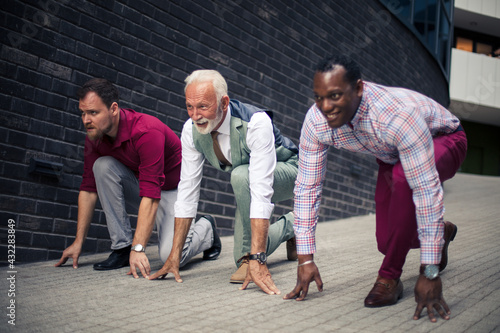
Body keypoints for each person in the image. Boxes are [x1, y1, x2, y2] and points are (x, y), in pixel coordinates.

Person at [284, 55, 467, 322]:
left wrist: (430, 272)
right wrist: (305, 259)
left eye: (335, 96)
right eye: (319, 97)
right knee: (386, 240)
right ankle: (441, 233)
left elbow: (426, 192)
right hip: (392, 155)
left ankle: (389, 278)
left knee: (406, 181)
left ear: (358, 88)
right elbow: (307, 188)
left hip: (445, 139)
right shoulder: (316, 121)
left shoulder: (395, 116)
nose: (326, 106)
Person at [148, 70, 298, 295]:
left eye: (203, 106)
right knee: (241, 258)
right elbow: (187, 189)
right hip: (247, 179)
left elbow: (260, 190)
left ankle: (290, 228)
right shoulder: (190, 130)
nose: (195, 115)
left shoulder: (256, 122)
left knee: (240, 176)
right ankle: (292, 225)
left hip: (289, 170)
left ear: (224, 103)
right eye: (190, 106)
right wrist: (174, 256)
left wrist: (257, 258)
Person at [55, 78, 220, 278]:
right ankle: (122, 248)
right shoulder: (95, 135)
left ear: (113, 109)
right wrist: (78, 242)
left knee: (172, 255)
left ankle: (207, 228)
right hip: (144, 189)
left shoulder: (146, 131)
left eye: (93, 112)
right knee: (102, 166)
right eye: (83, 113)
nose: (86, 120)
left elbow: (152, 193)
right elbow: (89, 190)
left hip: (173, 193)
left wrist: (139, 248)